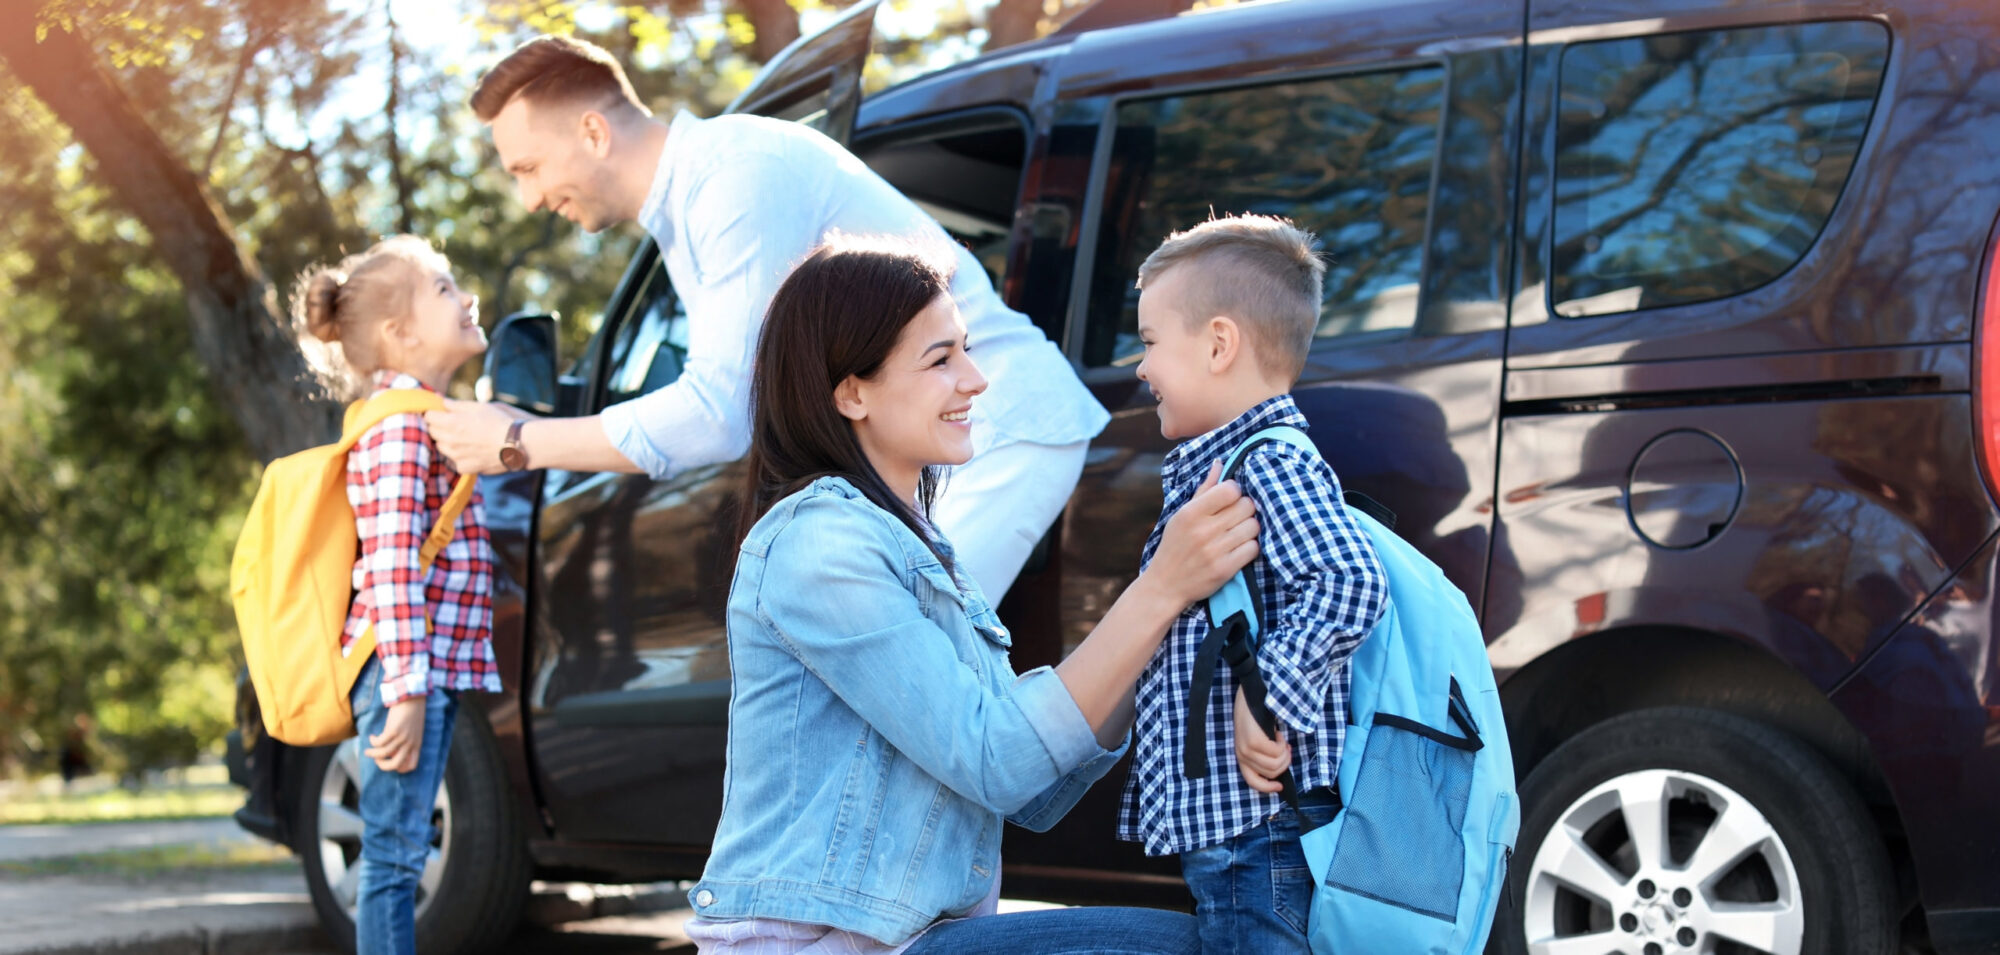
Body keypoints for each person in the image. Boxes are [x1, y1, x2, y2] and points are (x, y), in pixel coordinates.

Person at [685, 236, 1259, 954]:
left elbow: (1030, 790)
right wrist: (1159, 588)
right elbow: (1000, 757)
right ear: (850, 390)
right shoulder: (819, 544)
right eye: (941, 359)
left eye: (966, 349)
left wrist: (1176, 614)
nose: (976, 378)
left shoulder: (916, 543)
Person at [425, 35, 1108, 600]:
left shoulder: (734, 179)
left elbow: (720, 410)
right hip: (934, 454)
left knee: (906, 698)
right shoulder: (693, 202)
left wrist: (519, 440)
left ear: (594, 132)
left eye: (529, 167)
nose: (531, 197)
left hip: (995, 432)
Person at [1119, 215, 1390, 954]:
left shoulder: (1269, 463)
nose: (1139, 367)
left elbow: (1350, 581)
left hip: (1258, 834)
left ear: (1217, 344)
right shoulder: (1229, 463)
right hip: (1241, 831)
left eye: (1149, 342)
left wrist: (1266, 696)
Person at [292, 236, 503, 955]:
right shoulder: (400, 427)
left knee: (401, 850)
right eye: (444, 288)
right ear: (399, 333)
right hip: (401, 673)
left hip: (415, 672)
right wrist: (409, 687)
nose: (466, 295)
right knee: (392, 857)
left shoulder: (424, 415)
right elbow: (389, 562)